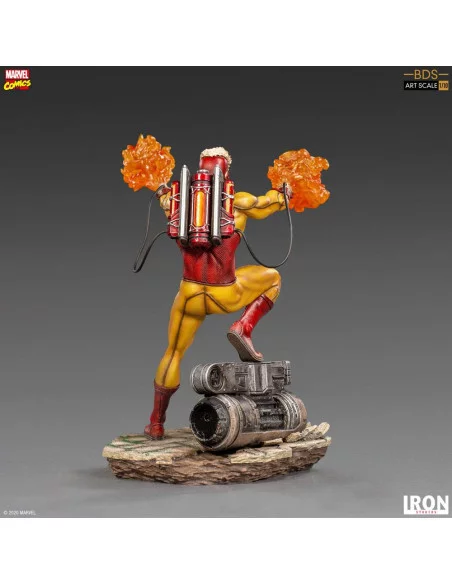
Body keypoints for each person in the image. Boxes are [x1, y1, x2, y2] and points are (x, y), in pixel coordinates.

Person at [145, 146, 290, 439]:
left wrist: (159, 187)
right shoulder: (239, 202)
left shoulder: (176, 201)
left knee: (173, 353)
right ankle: (243, 327)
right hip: (225, 293)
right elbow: (271, 203)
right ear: (226, 170)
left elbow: (160, 194)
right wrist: (284, 192)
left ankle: (156, 423)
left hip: (189, 296)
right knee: (273, 278)